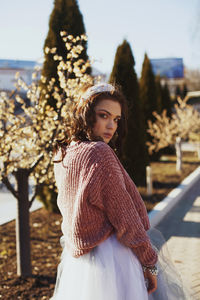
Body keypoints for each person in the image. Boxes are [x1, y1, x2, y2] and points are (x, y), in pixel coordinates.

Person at [50, 83, 190, 300]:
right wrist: (150, 264)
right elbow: (126, 219)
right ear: (85, 115)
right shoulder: (99, 153)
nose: (111, 126)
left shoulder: (64, 153)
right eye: (103, 115)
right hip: (113, 258)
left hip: (79, 264)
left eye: (116, 119)